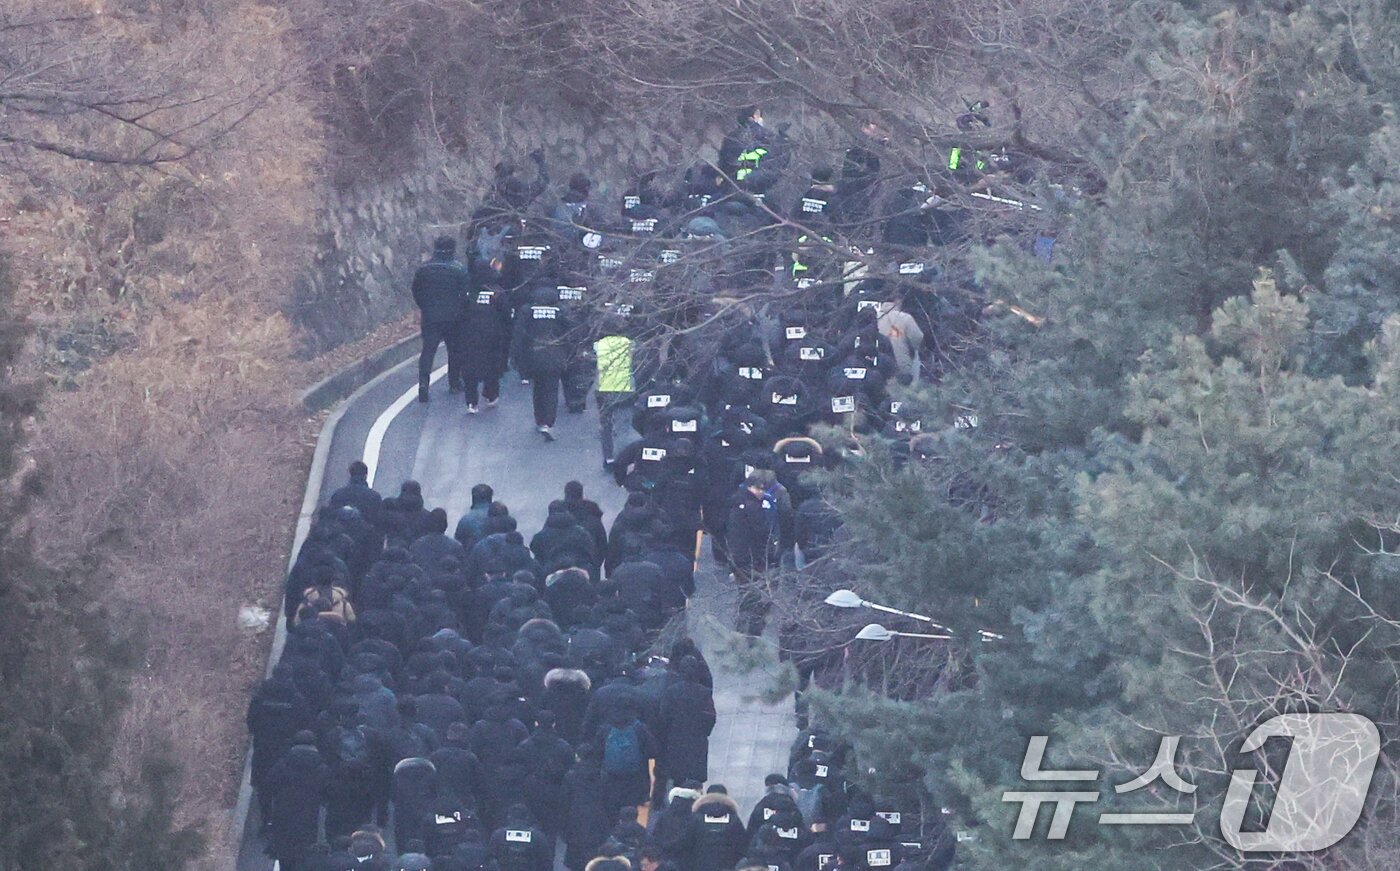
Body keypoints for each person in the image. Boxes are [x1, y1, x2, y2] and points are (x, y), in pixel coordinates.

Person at [724, 469, 792, 635]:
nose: (761, 493)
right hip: (754, 560)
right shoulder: (752, 508)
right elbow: (760, 535)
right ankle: (753, 632)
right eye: (758, 489)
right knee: (759, 597)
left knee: (746, 595)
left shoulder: (737, 504)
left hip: (743, 559)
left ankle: (741, 629)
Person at [411, 235, 472, 402]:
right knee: (454, 350)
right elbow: (466, 294)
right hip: (453, 317)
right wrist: (462, 310)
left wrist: (425, 306)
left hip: (430, 315)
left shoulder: (423, 269)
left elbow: (416, 290)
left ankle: (423, 384)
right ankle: (454, 383)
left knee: (428, 351)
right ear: (452, 249)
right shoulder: (458, 269)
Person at [511, 284, 575, 440]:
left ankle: (539, 419)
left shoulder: (527, 311)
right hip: (555, 356)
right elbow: (571, 334)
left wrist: (516, 358)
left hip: (533, 356)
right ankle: (548, 422)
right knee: (551, 390)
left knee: (538, 388)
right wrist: (570, 354)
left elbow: (518, 335)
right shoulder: (561, 311)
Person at [595, 319, 637, 467]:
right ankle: (621, 458)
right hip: (625, 389)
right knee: (623, 427)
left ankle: (608, 458)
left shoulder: (598, 345)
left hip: (604, 390)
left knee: (605, 425)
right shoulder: (629, 344)